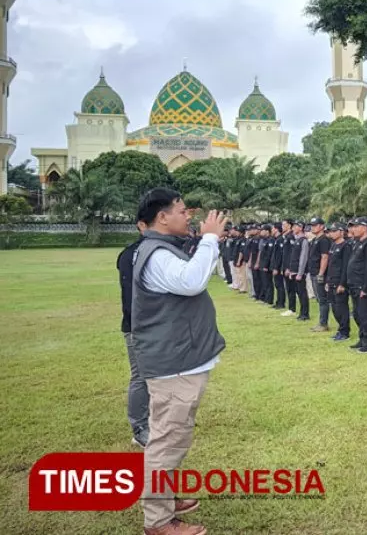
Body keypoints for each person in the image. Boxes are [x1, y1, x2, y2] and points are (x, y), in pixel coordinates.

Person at [132, 188, 227, 535]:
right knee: (167, 441)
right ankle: (158, 521)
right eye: (183, 211)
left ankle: (165, 499)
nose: (188, 217)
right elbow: (191, 282)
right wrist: (210, 240)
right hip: (174, 364)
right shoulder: (157, 254)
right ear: (162, 217)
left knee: (172, 437)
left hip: (179, 360)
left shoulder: (160, 249)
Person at [117, 219, 150, 449]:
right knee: (141, 376)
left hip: (159, 326)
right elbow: (131, 299)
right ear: (142, 225)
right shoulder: (132, 254)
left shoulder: (159, 251)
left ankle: (155, 421)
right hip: (138, 326)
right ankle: (139, 429)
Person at [346, 217, 367, 352]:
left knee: (365, 314)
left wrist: (365, 287)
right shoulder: (357, 242)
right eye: (353, 226)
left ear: (365, 228)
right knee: (357, 313)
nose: (354, 229)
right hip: (353, 284)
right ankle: (362, 337)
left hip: (362, 285)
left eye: (357, 226)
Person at [326, 222, 352, 341]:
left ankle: (345, 331)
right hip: (331, 280)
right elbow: (330, 265)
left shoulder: (345, 246)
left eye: (334, 231)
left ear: (341, 232)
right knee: (334, 307)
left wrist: (342, 284)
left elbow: (346, 266)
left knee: (342, 307)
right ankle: (340, 329)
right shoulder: (332, 245)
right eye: (331, 231)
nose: (332, 233)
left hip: (339, 281)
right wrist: (327, 281)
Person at [308, 217, 331, 332]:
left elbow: (325, 257)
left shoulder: (324, 240)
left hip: (319, 273)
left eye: (315, 225)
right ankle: (321, 322)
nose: (313, 227)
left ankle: (323, 323)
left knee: (323, 300)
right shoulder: (314, 240)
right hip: (313, 272)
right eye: (312, 225)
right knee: (319, 299)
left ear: (322, 226)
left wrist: (321, 274)